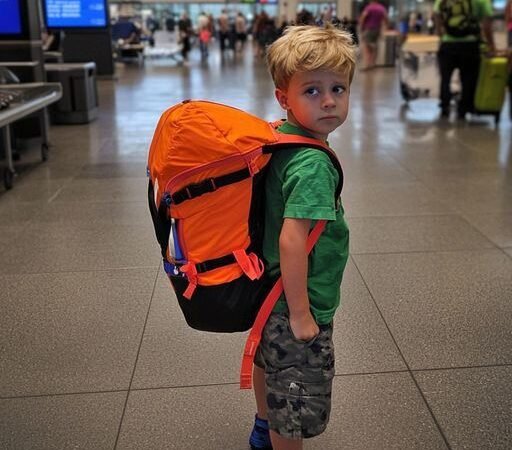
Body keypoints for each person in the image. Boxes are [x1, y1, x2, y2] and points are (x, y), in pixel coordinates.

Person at [249, 24, 355, 450]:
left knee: (271, 366)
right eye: (312, 90)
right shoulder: (312, 165)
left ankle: (261, 428)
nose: (329, 101)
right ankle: (275, 437)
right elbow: (293, 240)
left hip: (267, 289)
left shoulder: (280, 135)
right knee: (294, 403)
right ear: (283, 97)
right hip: (298, 297)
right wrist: (301, 315)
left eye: (338, 88)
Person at [434, 0, 495, 119]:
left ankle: (444, 106)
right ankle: (464, 109)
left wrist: (441, 36)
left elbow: (437, 17)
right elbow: (487, 25)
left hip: (448, 44)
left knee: (445, 78)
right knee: (468, 79)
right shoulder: (482, 1)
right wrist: (491, 45)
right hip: (470, 45)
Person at [358, 0, 388, 70]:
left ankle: (367, 65)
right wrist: (386, 26)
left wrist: (361, 27)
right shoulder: (381, 8)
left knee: (366, 47)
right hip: (377, 30)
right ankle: (372, 63)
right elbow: (386, 18)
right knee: (374, 46)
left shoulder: (369, 8)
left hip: (369, 29)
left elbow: (363, 17)